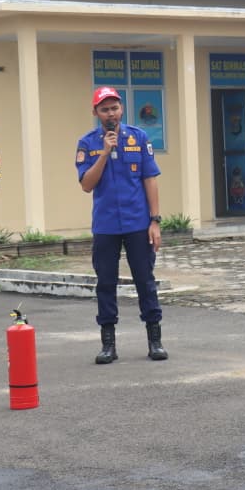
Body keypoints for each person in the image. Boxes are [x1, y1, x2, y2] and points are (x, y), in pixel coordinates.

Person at [76, 86, 168, 364]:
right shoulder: (87, 143)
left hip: (137, 222)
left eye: (114, 108)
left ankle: (155, 341)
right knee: (106, 283)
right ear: (95, 112)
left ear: (122, 109)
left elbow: (149, 180)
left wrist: (155, 221)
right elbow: (86, 185)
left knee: (145, 281)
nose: (110, 114)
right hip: (106, 225)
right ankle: (108, 344)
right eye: (104, 109)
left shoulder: (139, 138)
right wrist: (104, 153)